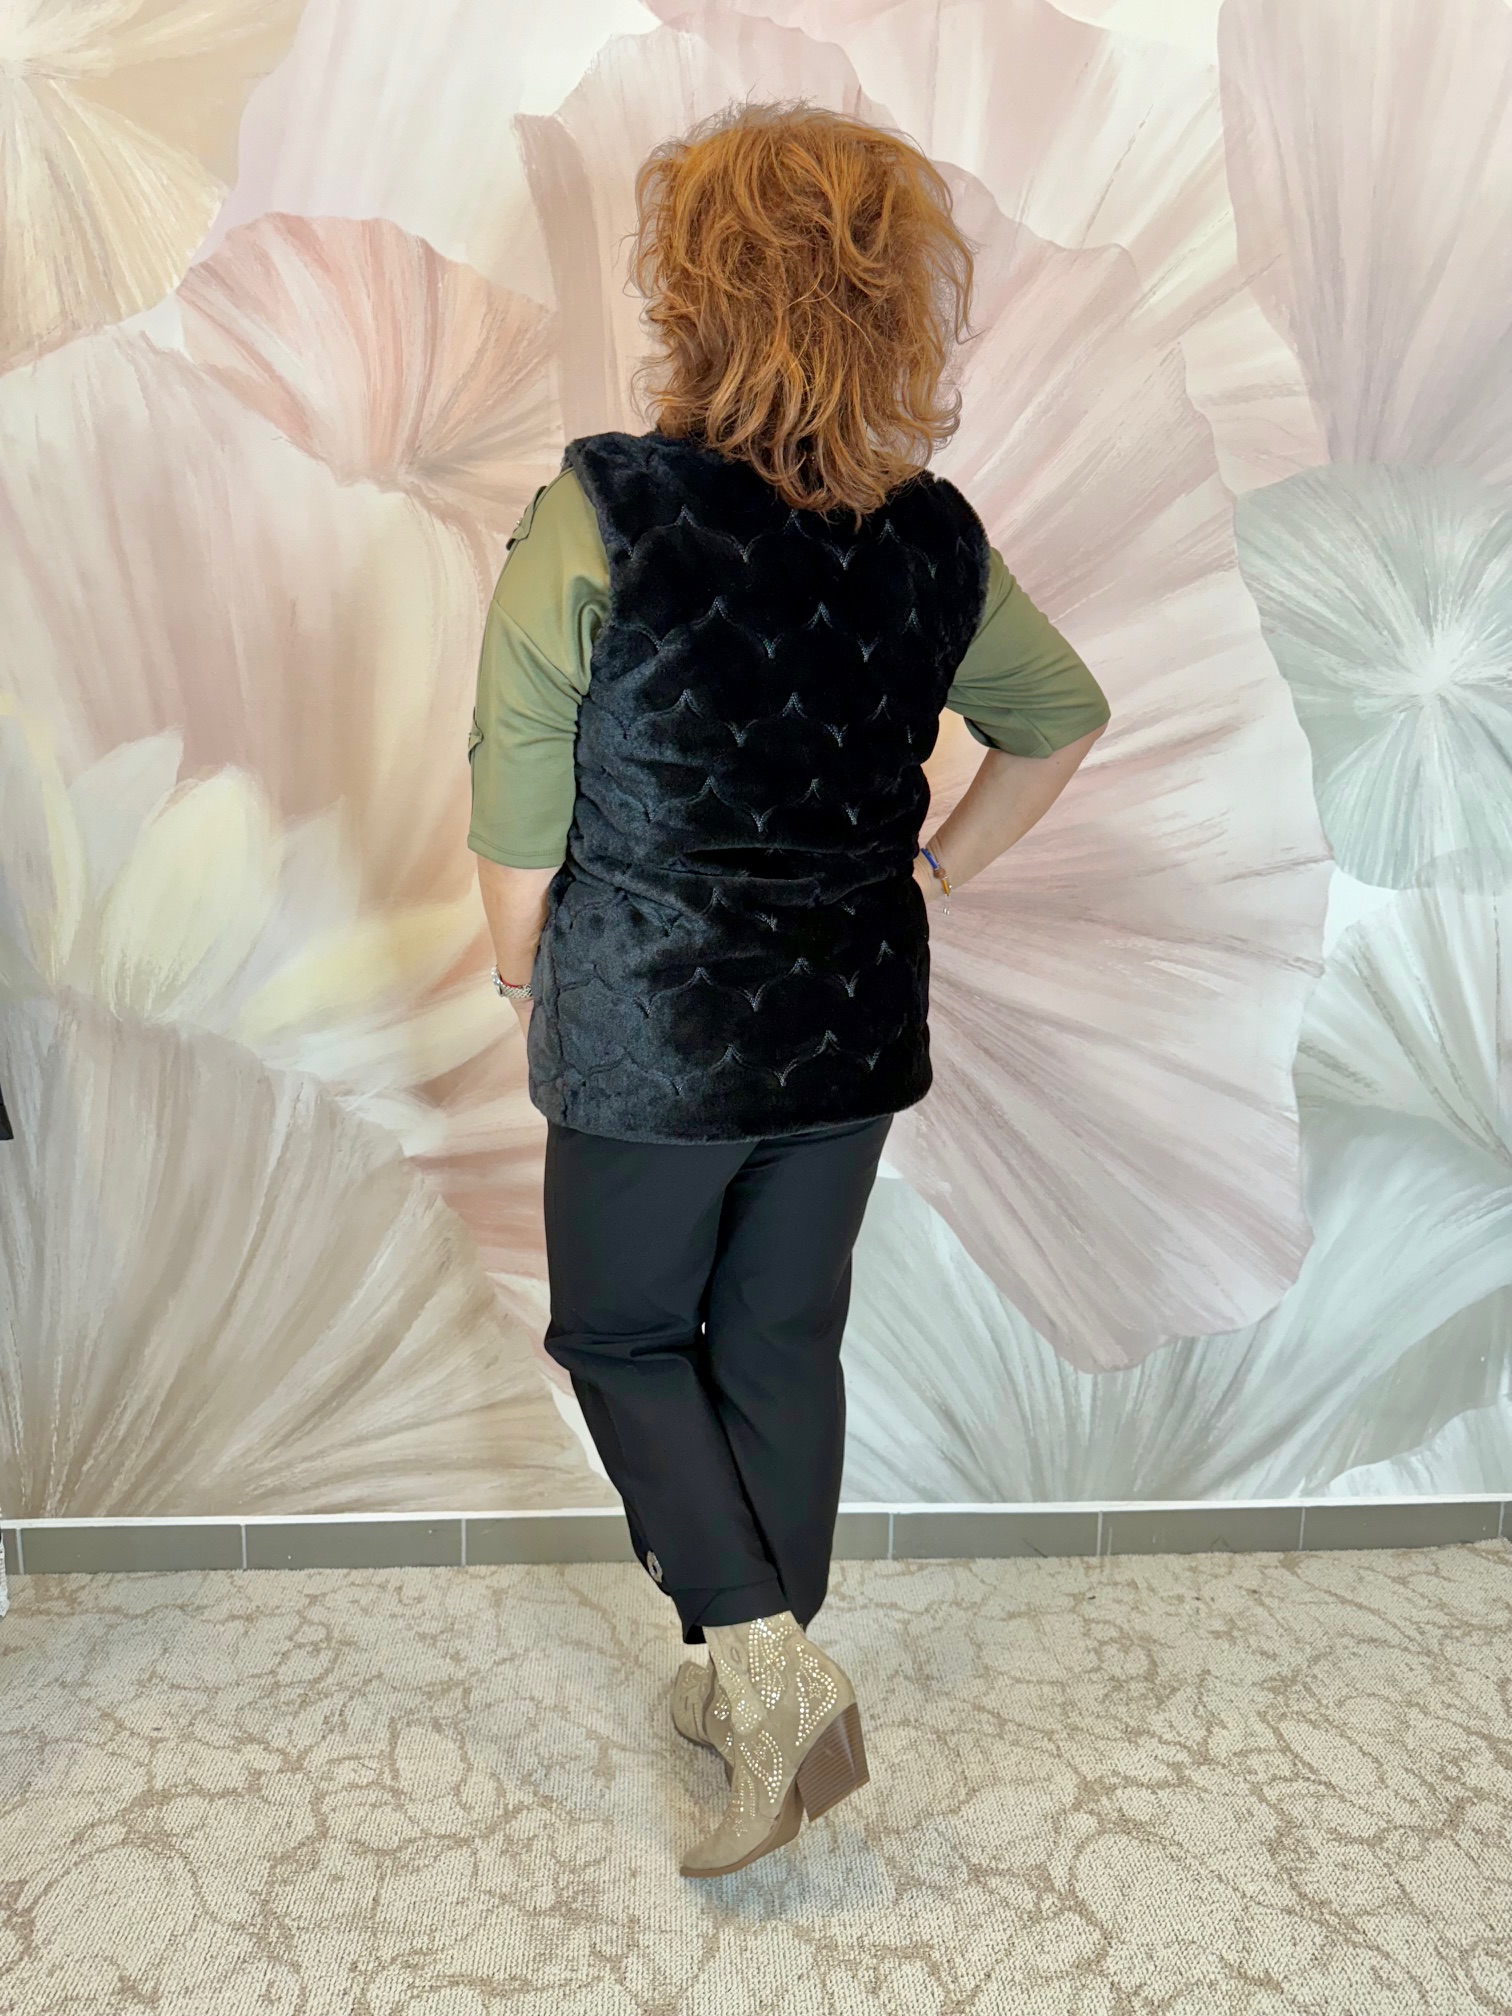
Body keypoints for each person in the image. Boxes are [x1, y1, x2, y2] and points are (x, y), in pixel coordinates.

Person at [467, 101, 1109, 1880]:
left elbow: (520, 782)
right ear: (891, 305)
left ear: (692, 293)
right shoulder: (933, 534)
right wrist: (936, 871)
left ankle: (757, 1665)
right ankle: (755, 1671)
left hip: (652, 1026)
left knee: (620, 1334)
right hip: (853, 1020)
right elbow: (1060, 718)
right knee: (775, 1338)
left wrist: (517, 964)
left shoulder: (607, 506)